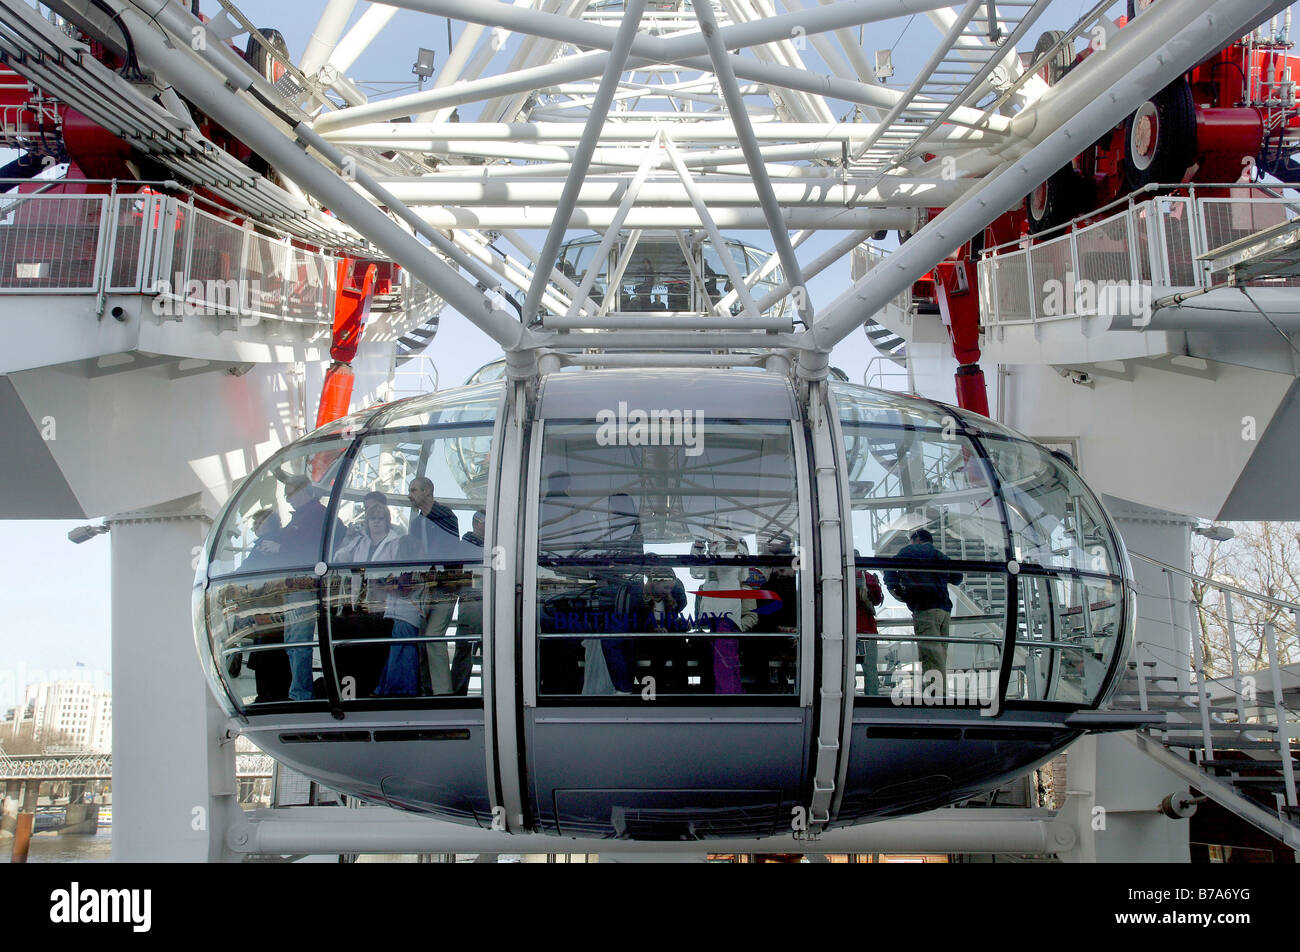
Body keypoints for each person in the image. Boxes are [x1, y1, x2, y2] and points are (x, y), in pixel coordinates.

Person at [259, 474, 344, 701]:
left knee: (298, 641)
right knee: (293, 642)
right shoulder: (313, 516)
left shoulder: (315, 516)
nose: (287, 499)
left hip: (302, 586)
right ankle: (298, 691)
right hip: (296, 586)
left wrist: (280, 549)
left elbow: (310, 549)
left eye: (290, 494)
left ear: (304, 491)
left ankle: (300, 693)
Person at [332, 492, 402, 697]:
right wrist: (347, 539)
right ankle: (353, 692)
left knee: (376, 650)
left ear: (387, 521)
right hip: (360, 602)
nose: (376, 523)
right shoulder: (360, 542)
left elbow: (398, 570)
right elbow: (339, 558)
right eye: (372, 519)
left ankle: (372, 689)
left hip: (382, 604)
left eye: (380, 519)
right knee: (355, 650)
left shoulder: (395, 541)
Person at [882, 529, 963, 693]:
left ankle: (934, 696)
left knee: (930, 655)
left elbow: (889, 570)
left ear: (916, 539)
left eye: (911, 540)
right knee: (940, 655)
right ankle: (940, 691)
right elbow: (957, 577)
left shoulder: (909, 551)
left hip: (925, 609)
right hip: (944, 610)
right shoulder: (939, 555)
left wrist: (897, 590)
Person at [582, 493, 644, 695]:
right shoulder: (635, 529)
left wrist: (598, 569)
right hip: (627, 592)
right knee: (622, 641)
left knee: (611, 641)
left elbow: (619, 563)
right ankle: (625, 686)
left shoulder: (622, 531)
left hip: (619, 593)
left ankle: (623, 688)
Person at [691, 520, 758, 695]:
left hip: (727, 612)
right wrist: (698, 548)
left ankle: (727, 695)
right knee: (713, 661)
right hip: (711, 613)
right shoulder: (710, 549)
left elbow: (742, 572)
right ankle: (720, 695)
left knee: (724, 660)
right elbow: (695, 572)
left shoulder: (736, 545)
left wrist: (713, 552)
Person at [449, 510, 486, 695]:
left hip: (471, 603)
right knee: (470, 650)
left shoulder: (464, 546)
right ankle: (482, 693)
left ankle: (457, 693)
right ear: (477, 523)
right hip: (474, 602)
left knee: (465, 650)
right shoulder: (472, 546)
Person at [854, 550, 885, 696]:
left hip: (844, 631)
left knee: (846, 670)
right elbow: (878, 599)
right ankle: (871, 699)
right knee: (870, 670)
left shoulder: (838, 577)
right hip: (867, 630)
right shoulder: (867, 576)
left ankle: (848, 699)